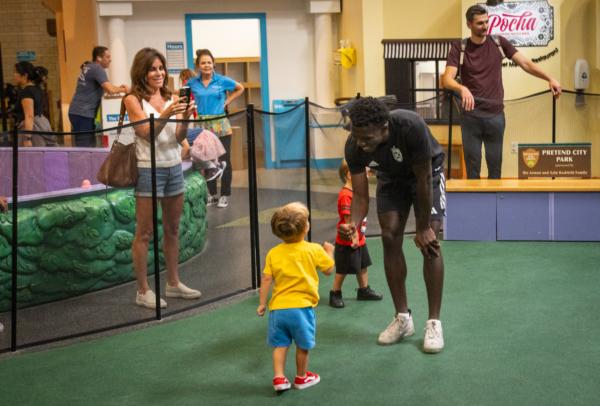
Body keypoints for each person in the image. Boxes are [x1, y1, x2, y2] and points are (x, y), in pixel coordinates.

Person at [341, 97, 446, 353]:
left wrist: (422, 227)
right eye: (358, 138)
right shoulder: (354, 146)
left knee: (430, 242)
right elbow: (361, 196)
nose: (362, 145)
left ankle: (433, 322)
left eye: (368, 139)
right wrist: (353, 223)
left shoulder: (410, 125)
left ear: (385, 128)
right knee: (389, 236)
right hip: (391, 179)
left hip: (426, 174)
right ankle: (402, 319)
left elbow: (421, 180)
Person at [442, 4, 561, 179]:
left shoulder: (499, 43)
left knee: (495, 168)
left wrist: (549, 78)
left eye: (486, 22)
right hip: (470, 117)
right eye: (480, 23)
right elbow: (446, 79)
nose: (485, 26)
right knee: (473, 168)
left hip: (495, 117)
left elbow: (526, 64)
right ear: (469, 24)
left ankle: (493, 206)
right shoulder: (459, 48)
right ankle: (477, 207)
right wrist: (462, 88)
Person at [124, 47, 200, 309]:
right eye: (153, 68)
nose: (158, 73)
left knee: (173, 228)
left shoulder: (173, 96)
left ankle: (174, 283)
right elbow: (145, 133)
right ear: (142, 72)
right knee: (144, 232)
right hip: (148, 168)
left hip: (173, 166)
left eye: (161, 68)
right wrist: (167, 113)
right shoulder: (132, 99)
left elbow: (178, 138)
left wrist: (186, 119)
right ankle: (143, 290)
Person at [257, 202, 334, 392]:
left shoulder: (273, 253)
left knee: (280, 345)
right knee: (302, 345)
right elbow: (328, 269)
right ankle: (301, 378)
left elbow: (267, 279)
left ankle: (279, 378)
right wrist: (329, 252)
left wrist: (262, 304)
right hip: (302, 309)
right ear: (305, 228)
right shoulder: (314, 249)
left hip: (278, 310)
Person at [187, 49, 244, 208]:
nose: (206, 65)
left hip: (220, 125)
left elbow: (240, 88)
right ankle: (212, 194)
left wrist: (227, 101)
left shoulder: (221, 80)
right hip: (201, 126)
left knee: (224, 161)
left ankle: (225, 194)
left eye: (209, 62)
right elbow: (183, 97)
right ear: (198, 66)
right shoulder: (192, 83)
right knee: (206, 161)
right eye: (203, 63)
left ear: (214, 64)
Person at [329, 160, 382, 308]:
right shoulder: (346, 195)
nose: (366, 177)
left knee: (363, 265)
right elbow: (348, 219)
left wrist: (360, 238)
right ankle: (335, 293)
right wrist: (354, 238)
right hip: (348, 241)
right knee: (343, 269)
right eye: (363, 175)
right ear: (349, 175)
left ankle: (363, 290)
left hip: (360, 239)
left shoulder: (357, 193)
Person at [69, 46, 129, 147]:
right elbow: (110, 90)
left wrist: (118, 88)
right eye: (107, 57)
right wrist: (125, 90)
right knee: (85, 147)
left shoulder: (89, 67)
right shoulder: (97, 68)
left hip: (77, 112)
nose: (110, 59)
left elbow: (107, 88)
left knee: (86, 145)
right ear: (99, 58)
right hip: (83, 113)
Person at [13, 62, 57, 147]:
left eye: (16, 72)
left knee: (31, 158)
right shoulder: (37, 89)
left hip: (33, 129)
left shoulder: (27, 92)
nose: (14, 75)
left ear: (25, 75)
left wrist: (27, 138)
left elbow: (29, 116)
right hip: (42, 124)